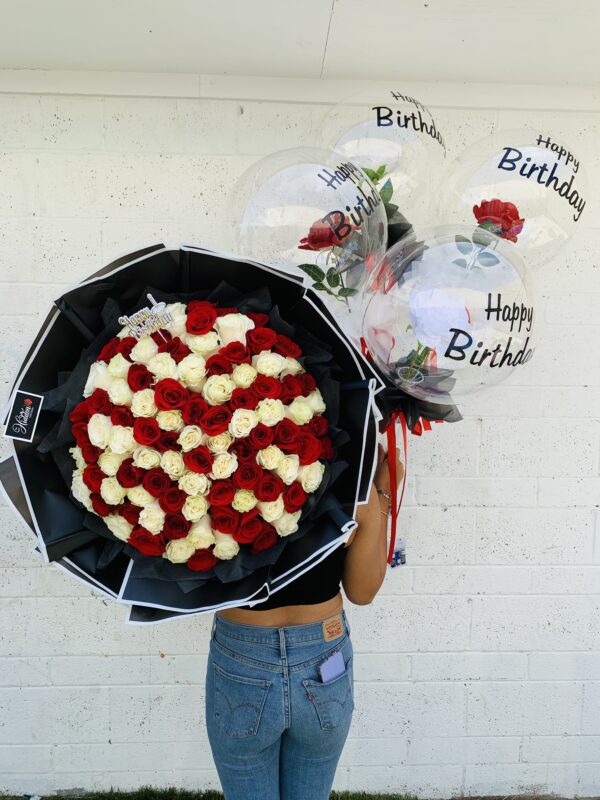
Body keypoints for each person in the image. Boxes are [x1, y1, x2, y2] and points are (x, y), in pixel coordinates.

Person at [205, 444, 404, 800]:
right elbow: (362, 591)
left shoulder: (212, 461)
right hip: (324, 658)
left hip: (241, 658)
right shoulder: (347, 465)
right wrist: (383, 495)